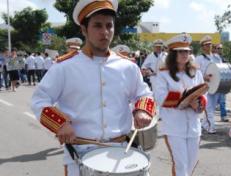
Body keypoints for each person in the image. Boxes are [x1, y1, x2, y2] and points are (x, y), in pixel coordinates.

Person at [31, 0, 156, 176]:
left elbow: (144, 93)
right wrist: (60, 124)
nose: (105, 32)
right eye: (97, 25)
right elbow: (39, 100)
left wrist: (142, 111)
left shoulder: (128, 66)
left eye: (109, 26)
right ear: (84, 29)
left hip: (121, 149)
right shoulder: (65, 67)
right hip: (80, 151)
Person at [153, 33, 207, 176]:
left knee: (192, 163)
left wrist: (199, 104)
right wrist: (187, 100)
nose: (185, 54)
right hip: (174, 127)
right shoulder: (163, 74)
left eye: (187, 51)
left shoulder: (196, 72)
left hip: (194, 126)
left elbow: (204, 94)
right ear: (172, 54)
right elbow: (160, 98)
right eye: (180, 51)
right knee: (181, 165)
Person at [195, 35, 222, 134]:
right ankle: (211, 127)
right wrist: (203, 76)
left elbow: (220, 70)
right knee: (208, 107)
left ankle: (204, 124)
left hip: (216, 85)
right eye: (206, 45)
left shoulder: (217, 57)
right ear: (202, 47)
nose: (209, 46)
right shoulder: (199, 59)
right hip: (205, 86)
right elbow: (194, 72)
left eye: (210, 44)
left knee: (212, 107)